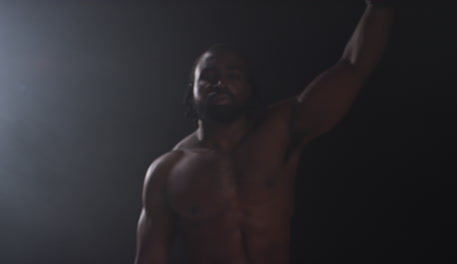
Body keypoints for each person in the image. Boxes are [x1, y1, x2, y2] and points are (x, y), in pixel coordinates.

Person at [134, 1, 395, 263]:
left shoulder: (280, 129)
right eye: (208, 76)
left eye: (233, 75)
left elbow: (352, 65)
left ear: (249, 88)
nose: (220, 83)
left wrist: (379, 6)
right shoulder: (166, 171)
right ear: (192, 91)